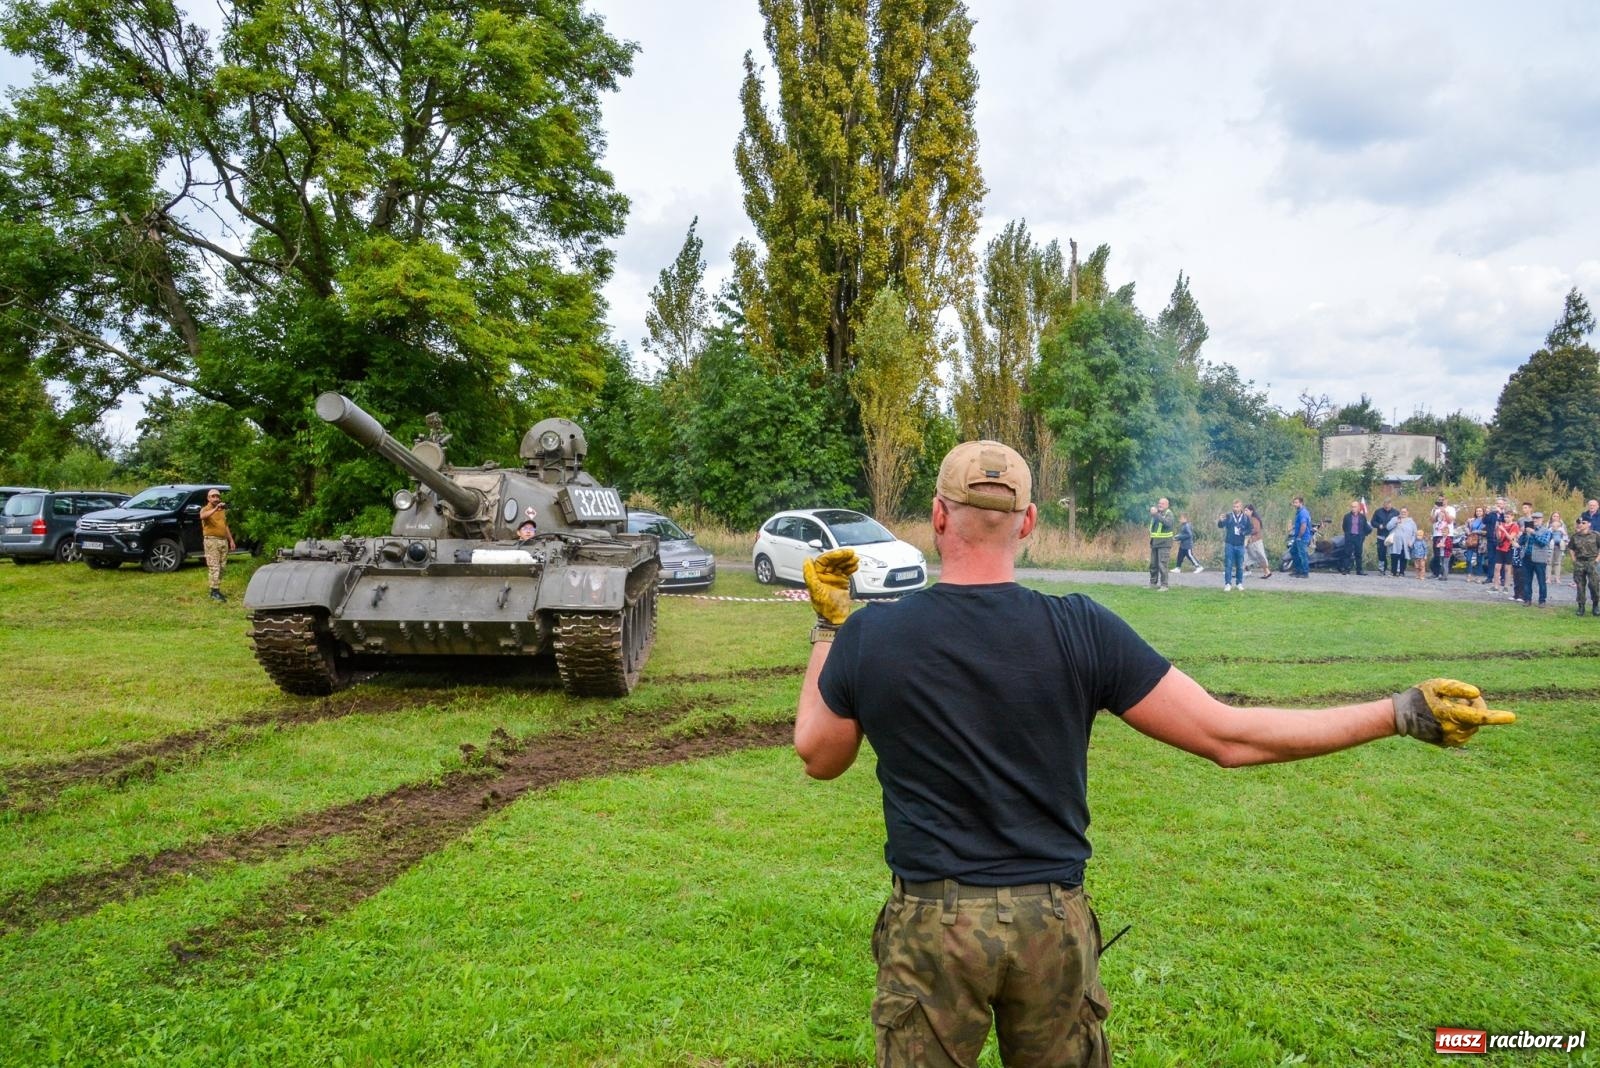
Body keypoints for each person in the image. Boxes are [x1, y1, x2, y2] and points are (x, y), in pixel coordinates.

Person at [793, 439, 1515, 1068]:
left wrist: (828, 630)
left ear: (938, 516)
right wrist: (1396, 713)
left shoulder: (872, 637)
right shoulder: (1081, 629)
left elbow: (819, 756)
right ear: (1030, 524)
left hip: (931, 925)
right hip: (1052, 927)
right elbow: (1229, 737)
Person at [199, 488, 235, 603]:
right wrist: (215, 509)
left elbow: (225, 525)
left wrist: (231, 540)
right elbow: (202, 516)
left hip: (222, 540)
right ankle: (214, 591)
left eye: (217, 496)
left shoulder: (222, 511)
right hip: (211, 541)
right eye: (213, 496)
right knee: (214, 566)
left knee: (222, 566)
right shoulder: (206, 509)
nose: (216, 498)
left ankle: (217, 588)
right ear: (208, 498)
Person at [1217, 500, 1251, 591]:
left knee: (1240, 565)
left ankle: (1239, 583)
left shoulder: (1245, 518)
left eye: (1237, 507)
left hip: (1240, 544)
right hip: (1230, 544)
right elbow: (1220, 526)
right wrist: (1220, 521)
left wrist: (1243, 532)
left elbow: (1249, 529)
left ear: (1241, 507)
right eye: (1234, 507)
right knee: (1228, 565)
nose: (1235, 508)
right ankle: (1228, 583)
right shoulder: (1229, 516)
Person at [1569, 515, 1599, 616]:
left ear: (1589, 524)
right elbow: (1571, 548)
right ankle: (1581, 607)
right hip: (1580, 562)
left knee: (1594, 585)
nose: (1581, 525)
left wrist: (1597, 559)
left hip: (1592, 561)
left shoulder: (1595, 535)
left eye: (1583, 523)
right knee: (1580, 585)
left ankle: (1595, 605)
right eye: (1580, 523)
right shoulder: (1575, 536)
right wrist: (1574, 560)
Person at [1524, 512, 1553, 606]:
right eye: (1534, 518)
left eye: (1537, 518)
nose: (1535, 520)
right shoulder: (1528, 530)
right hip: (1527, 557)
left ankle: (1542, 600)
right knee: (1527, 580)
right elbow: (1521, 542)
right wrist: (1524, 534)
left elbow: (1543, 543)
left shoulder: (1547, 531)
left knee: (1541, 581)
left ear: (1542, 520)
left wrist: (1533, 533)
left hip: (1540, 559)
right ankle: (1527, 599)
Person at [1148, 497, 1176, 591]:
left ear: (1167, 505)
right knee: (1153, 565)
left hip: (1164, 544)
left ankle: (1164, 585)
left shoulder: (1169, 514)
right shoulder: (1158, 514)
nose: (1159, 505)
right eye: (1159, 503)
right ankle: (1153, 583)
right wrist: (1155, 514)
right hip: (1155, 543)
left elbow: (1167, 524)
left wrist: (1156, 514)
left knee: (1162, 565)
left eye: (1162, 504)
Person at [1339, 500, 1369, 575]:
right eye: (1352, 507)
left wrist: (1362, 536)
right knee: (1347, 553)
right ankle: (1346, 569)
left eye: (1355, 507)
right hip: (1349, 537)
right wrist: (1348, 534)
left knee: (1358, 554)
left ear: (1358, 508)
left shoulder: (1362, 517)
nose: (1353, 508)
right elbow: (1344, 527)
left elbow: (1365, 527)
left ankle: (1359, 570)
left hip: (1358, 537)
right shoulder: (1347, 516)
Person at [1385, 507, 1417, 578]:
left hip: (1405, 543)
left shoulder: (1411, 522)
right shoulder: (1394, 519)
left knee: (1403, 557)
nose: (1403, 513)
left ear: (1408, 513)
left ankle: (1402, 572)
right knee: (1394, 557)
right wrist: (1396, 522)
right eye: (1402, 512)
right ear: (1400, 512)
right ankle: (1393, 572)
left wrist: (1411, 542)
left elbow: (1414, 534)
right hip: (1395, 543)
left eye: (1405, 512)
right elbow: (1388, 527)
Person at [1369, 498, 1398, 576]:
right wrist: (1379, 525)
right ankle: (1382, 569)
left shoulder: (1396, 512)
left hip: (1392, 536)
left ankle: (1394, 570)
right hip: (1381, 535)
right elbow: (1372, 522)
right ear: (1383, 504)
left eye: (1389, 504)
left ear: (1391, 504)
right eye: (1385, 504)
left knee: (1393, 553)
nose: (1387, 506)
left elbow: (1399, 522)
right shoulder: (1378, 512)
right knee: (1381, 553)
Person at [1244, 503, 1272, 579]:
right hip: (1251, 542)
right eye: (1244, 510)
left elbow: (1256, 529)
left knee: (1260, 556)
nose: (1245, 512)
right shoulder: (1248, 519)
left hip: (1256, 541)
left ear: (1251, 511)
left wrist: (1246, 531)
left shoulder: (1254, 519)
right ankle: (1245, 570)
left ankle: (1267, 572)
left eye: (1246, 510)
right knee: (1248, 555)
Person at [1289, 496, 1313, 578]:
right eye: (1294, 502)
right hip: (1298, 537)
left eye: (1296, 502)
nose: (1294, 504)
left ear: (1301, 503)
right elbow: (1300, 524)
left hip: (1302, 537)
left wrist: (1299, 536)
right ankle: (1297, 570)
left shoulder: (1303, 513)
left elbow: (1303, 525)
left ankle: (1305, 572)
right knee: (1293, 551)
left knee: (1303, 555)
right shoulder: (1299, 512)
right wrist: (1293, 527)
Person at [1547, 512, 1568, 586]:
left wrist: (1565, 542)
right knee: (1549, 562)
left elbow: (1565, 535)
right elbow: (1546, 535)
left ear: (1559, 517)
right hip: (1550, 545)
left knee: (1557, 562)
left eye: (1557, 516)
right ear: (1551, 517)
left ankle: (1557, 578)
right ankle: (1548, 578)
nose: (1555, 517)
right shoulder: (1548, 525)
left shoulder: (1562, 526)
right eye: (1554, 516)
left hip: (1559, 545)